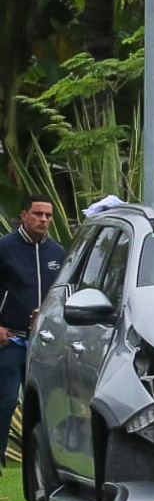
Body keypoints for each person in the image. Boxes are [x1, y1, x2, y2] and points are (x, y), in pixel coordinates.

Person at [1, 195, 67, 468]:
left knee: (45, 406)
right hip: (10, 340)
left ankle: (41, 464)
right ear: (24, 215)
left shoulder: (57, 252)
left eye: (48, 216)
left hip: (44, 342)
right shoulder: (5, 248)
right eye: (38, 214)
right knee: (5, 401)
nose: (44, 220)